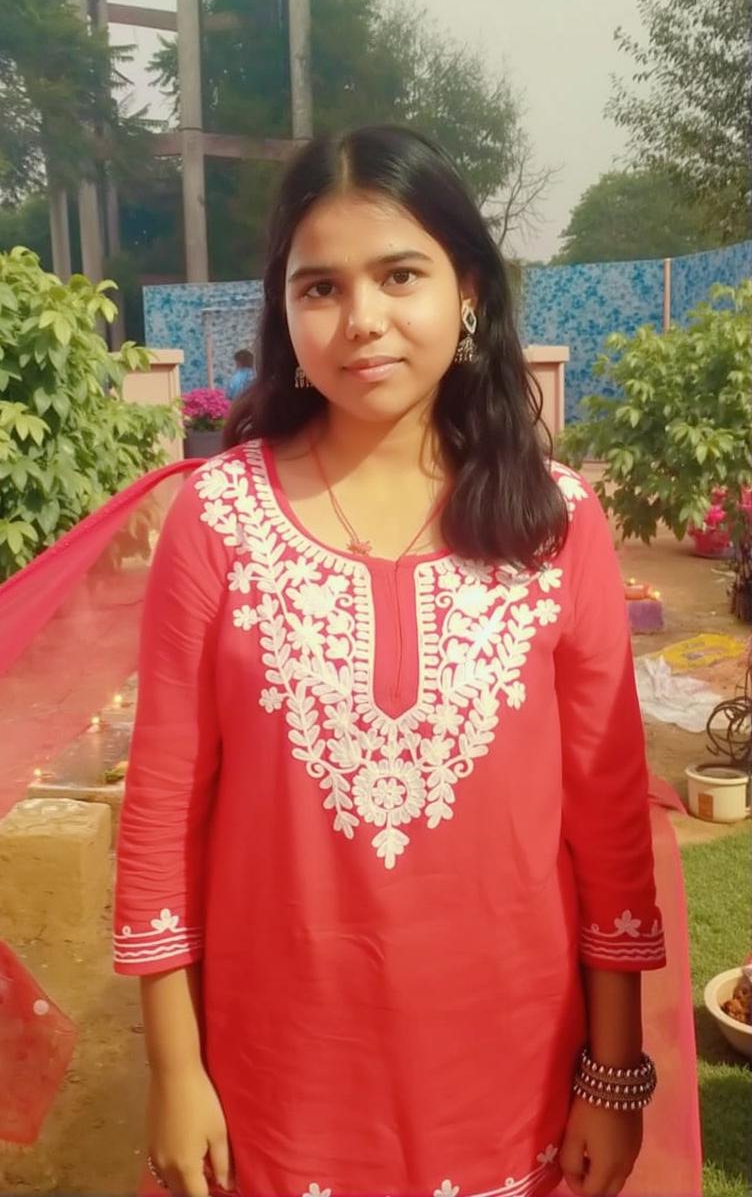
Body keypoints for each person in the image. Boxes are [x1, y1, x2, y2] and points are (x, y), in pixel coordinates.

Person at [114, 126, 669, 1197]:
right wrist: (175, 1068)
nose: (361, 320)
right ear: (283, 311)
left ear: (468, 291)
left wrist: (615, 1068)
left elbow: (604, 816)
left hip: (514, 1065)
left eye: (399, 275)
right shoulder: (220, 520)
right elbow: (161, 813)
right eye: (320, 286)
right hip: (278, 1073)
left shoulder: (555, 521)